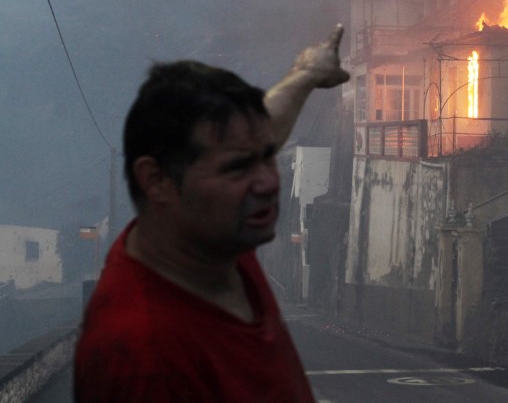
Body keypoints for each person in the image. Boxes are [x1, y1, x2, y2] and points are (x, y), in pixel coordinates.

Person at [74, 25, 349, 402]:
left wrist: (306, 74)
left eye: (267, 157)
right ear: (157, 181)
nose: (268, 182)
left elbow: (263, 129)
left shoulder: (209, 235)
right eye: (238, 168)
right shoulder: (145, 358)